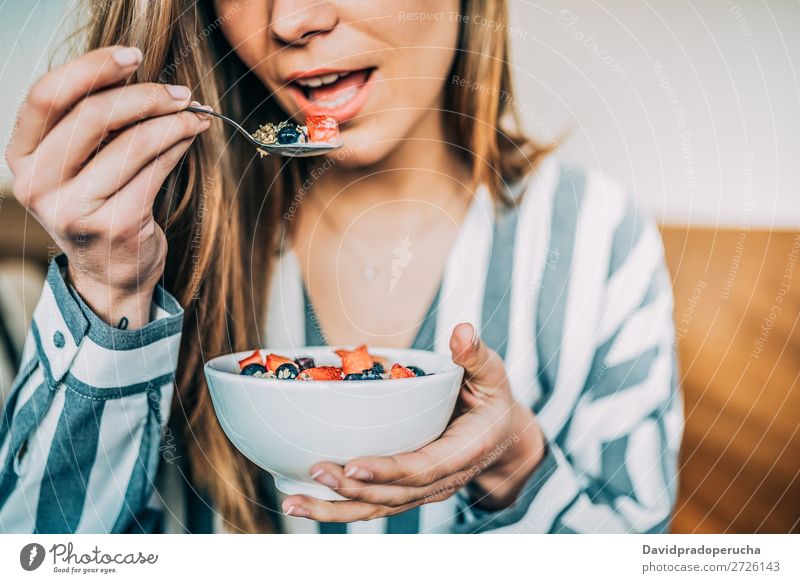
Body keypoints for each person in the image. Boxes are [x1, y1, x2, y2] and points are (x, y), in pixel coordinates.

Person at [0, 0, 682, 533]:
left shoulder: (596, 239)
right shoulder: (161, 233)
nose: (290, 21)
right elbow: (44, 550)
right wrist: (110, 286)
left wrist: (513, 468)